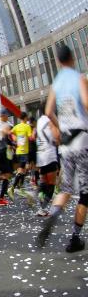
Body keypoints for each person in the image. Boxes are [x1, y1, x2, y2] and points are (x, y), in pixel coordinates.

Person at [38, 45, 87, 253]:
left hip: (66, 143)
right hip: (82, 139)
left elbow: (48, 111)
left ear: (58, 61)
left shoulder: (56, 84)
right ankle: (75, 238)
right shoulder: (79, 78)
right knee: (85, 193)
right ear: (73, 58)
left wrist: (59, 126)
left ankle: (54, 213)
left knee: (66, 187)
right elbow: (86, 101)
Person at [35, 114, 59, 217]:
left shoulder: (39, 121)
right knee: (51, 184)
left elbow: (33, 136)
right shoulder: (50, 121)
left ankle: (39, 196)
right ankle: (42, 208)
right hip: (50, 155)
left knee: (44, 183)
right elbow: (57, 138)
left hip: (41, 155)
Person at [8, 112, 33, 199]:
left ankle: (20, 187)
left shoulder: (17, 126)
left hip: (18, 151)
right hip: (24, 151)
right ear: (26, 118)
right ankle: (12, 188)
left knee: (23, 170)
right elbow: (30, 138)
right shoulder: (27, 126)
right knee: (22, 170)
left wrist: (14, 141)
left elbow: (10, 133)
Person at [0, 108, 14, 206]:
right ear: (4, 116)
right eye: (6, 115)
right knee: (7, 175)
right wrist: (14, 144)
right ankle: (1, 198)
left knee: (5, 175)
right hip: (4, 153)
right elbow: (10, 139)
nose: (7, 117)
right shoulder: (8, 126)